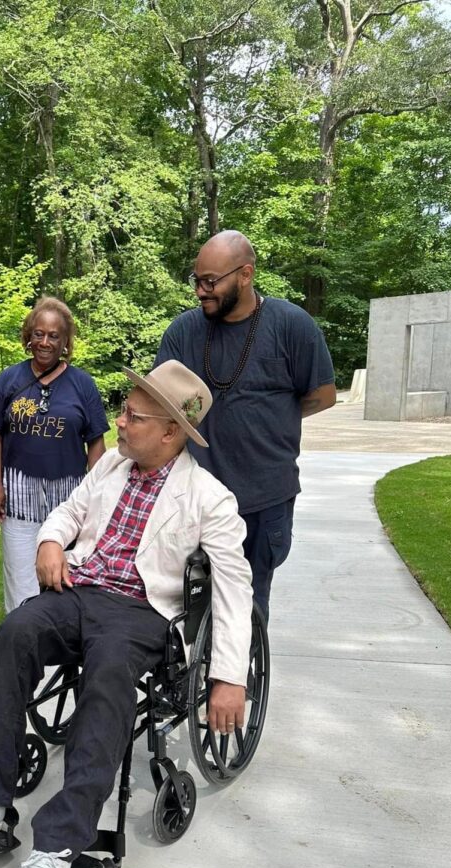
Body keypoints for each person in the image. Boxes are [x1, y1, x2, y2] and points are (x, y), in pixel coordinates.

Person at [0, 361, 253, 868]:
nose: (119, 422)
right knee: (13, 634)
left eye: (133, 415)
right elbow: (69, 513)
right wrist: (52, 540)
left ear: (172, 432)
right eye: (123, 410)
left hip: (141, 614)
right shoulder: (110, 468)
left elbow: (233, 589)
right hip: (80, 590)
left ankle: (55, 850)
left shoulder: (210, 498)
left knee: (106, 678)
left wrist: (229, 677)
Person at [155, 230, 336, 619]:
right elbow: (160, 407)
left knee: (248, 609)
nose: (201, 291)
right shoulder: (183, 332)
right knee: (187, 607)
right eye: (197, 280)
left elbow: (322, 395)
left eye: (211, 281)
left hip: (263, 500)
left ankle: (242, 680)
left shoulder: (292, 326)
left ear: (245, 274)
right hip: (193, 500)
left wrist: (274, 418)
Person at [0, 296, 109, 611]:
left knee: (64, 578)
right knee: (21, 580)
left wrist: (95, 497)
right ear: (28, 336)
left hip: (68, 498)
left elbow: (96, 444)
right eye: (38, 333)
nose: (45, 341)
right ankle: (23, 651)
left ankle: (62, 657)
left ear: (65, 342)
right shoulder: (10, 379)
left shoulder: (82, 384)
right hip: (18, 498)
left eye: (54, 335)